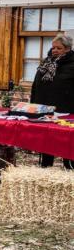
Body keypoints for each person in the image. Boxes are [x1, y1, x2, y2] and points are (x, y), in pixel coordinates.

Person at [30, 33, 74, 169]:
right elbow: (35, 85)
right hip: (45, 109)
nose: (54, 50)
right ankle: (45, 167)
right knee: (47, 141)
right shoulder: (46, 63)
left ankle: (70, 168)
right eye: (53, 47)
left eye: (58, 48)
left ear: (67, 49)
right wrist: (33, 105)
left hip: (67, 111)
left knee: (67, 142)